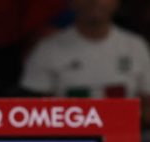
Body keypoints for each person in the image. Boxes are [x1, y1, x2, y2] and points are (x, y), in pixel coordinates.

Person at [19, 0, 150, 127]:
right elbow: (32, 112)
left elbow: (147, 103)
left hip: (125, 139)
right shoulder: (47, 50)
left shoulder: (136, 46)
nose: (94, 2)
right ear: (71, 2)